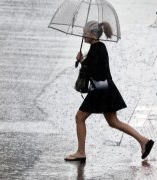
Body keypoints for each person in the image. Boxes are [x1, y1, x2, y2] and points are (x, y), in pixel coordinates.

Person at [64, 21, 154, 162]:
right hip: (106, 89)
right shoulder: (98, 48)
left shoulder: (97, 49)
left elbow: (95, 71)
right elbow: (95, 68)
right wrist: (82, 61)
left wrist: (82, 62)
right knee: (113, 122)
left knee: (79, 118)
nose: (83, 36)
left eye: (85, 33)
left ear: (93, 35)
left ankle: (81, 152)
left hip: (100, 91)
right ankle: (144, 141)